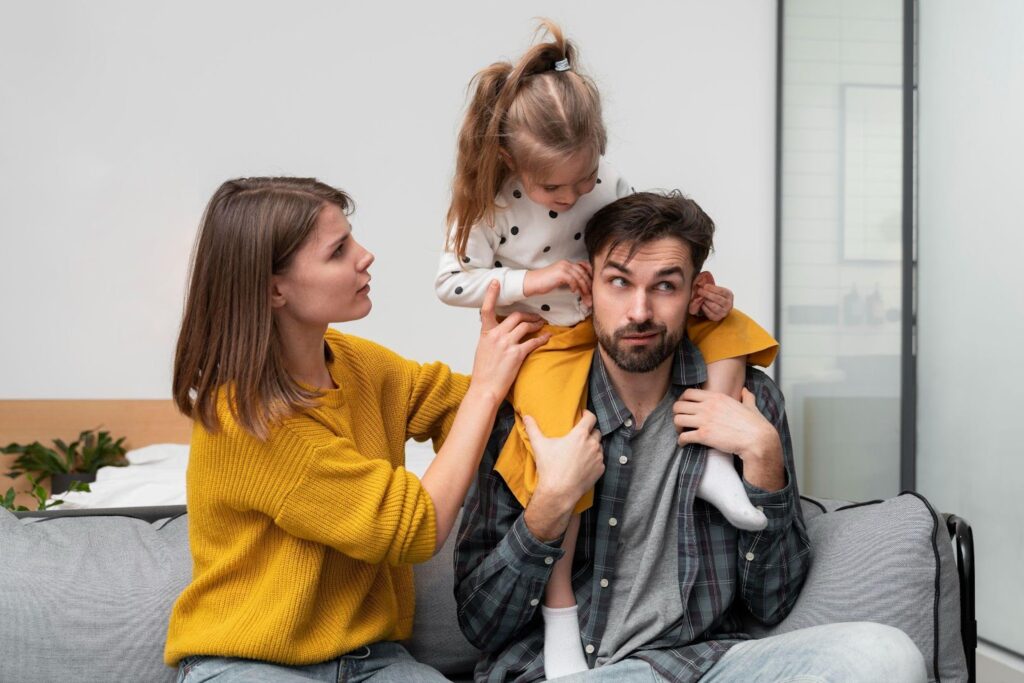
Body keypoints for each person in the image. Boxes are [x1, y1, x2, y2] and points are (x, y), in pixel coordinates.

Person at [454, 191, 928, 682]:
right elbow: (480, 623)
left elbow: (773, 603)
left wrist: (767, 464)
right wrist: (548, 509)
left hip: (702, 666)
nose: (639, 311)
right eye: (619, 282)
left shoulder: (748, 401)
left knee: (884, 655)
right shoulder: (531, 408)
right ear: (587, 290)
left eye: (664, 286)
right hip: (576, 673)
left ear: (695, 293)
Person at [435, 22, 777, 679]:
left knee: (736, 326)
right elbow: (453, 280)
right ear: (513, 166)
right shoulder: (486, 208)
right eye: (554, 191)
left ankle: (711, 459)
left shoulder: (607, 187)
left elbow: (641, 240)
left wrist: (758, 454)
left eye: (583, 180)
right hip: (548, 339)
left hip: (704, 660)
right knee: (560, 464)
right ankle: (565, 614)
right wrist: (530, 283)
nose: (572, 199)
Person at [164, 177, 549, 682]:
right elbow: (415, 528)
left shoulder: (356, 363)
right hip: (247, 665)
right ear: (273, 287)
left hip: (373, 660)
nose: (365, 256)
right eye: (338, 250)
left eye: (353, 239)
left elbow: (465, 412)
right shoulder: (246, 419)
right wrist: (485, 389)